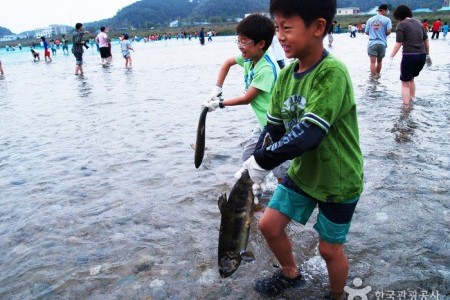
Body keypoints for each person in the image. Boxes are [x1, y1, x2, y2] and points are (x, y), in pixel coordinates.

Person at [233, 0, 364, 298]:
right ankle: (291, 273)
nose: (279, 36)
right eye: (277, 27)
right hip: (304, 173)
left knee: (329, 249)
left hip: (338, 180)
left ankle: (337, 295)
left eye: (287, 28)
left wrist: (262, 160)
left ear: (318, 27)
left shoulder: (332, 73)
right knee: (268, 225)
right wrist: (252, 162)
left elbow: (308, 135)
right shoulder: (285, 78)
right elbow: (273, 131)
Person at [202, 14, 288, 183]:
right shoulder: (250, 58)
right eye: (238, 41)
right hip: (263, 123)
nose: (240, 46)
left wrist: (219, 104)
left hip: (278, 126)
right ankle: (257, 196)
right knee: (248, 158)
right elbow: (227, 63)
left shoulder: (266, 68)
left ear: (261, 43)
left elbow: (247, 98)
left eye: (244, 41)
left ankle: (278, 201)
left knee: (280, 170)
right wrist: (217, 89)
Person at [389, 5, 431, 107]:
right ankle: (412, 100)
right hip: (421, 56)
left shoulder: (401, 24)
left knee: (404, 83)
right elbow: (426, 40)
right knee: (411, 78)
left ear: (398, 15)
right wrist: (428, 55)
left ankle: (406, 107)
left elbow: (398, 43)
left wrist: (391, 56)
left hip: (409, 56)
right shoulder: (419, 23)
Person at [365, 4, 392, 79]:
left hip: (372, 43)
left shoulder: (370, 19)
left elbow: (366, 32)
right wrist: (383, 34)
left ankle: (373, 79)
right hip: (382, 43)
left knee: (372, 62)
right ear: (384, 10)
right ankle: (378, 77)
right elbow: (389, 31)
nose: (386, 12)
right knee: (379, 62)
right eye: (386, 11)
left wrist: (373, 33)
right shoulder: (387, 20)